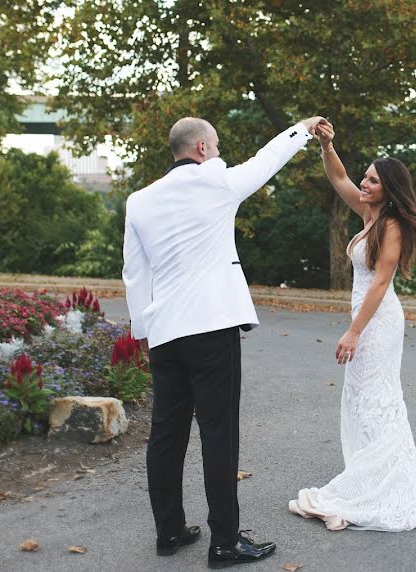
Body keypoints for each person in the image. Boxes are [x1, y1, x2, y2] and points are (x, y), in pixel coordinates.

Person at [123, 115, 325, 566]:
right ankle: (225, 542)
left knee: (166, 433)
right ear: (200, 149)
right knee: (219, 434)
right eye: (215, 146)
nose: (218, 153)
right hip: (211, 329)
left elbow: (134, 274)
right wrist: (302, 128)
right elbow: (266, 161)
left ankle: (170, 531)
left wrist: (144, 329)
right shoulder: (216, 184)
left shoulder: (139, 201)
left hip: (165, 333)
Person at [288, 121, 416, 531]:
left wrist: (354, 331)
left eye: (372, 180)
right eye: (365, 178)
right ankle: (370, 479)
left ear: (388, 188)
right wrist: (326, 145)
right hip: (365, 317)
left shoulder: (391, 226)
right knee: (362, 400)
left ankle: (384, 488)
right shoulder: (368, 213)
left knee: (377, 402)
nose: (364, 183)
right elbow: (337, 175)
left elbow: (381, 281)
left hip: (378, 320)